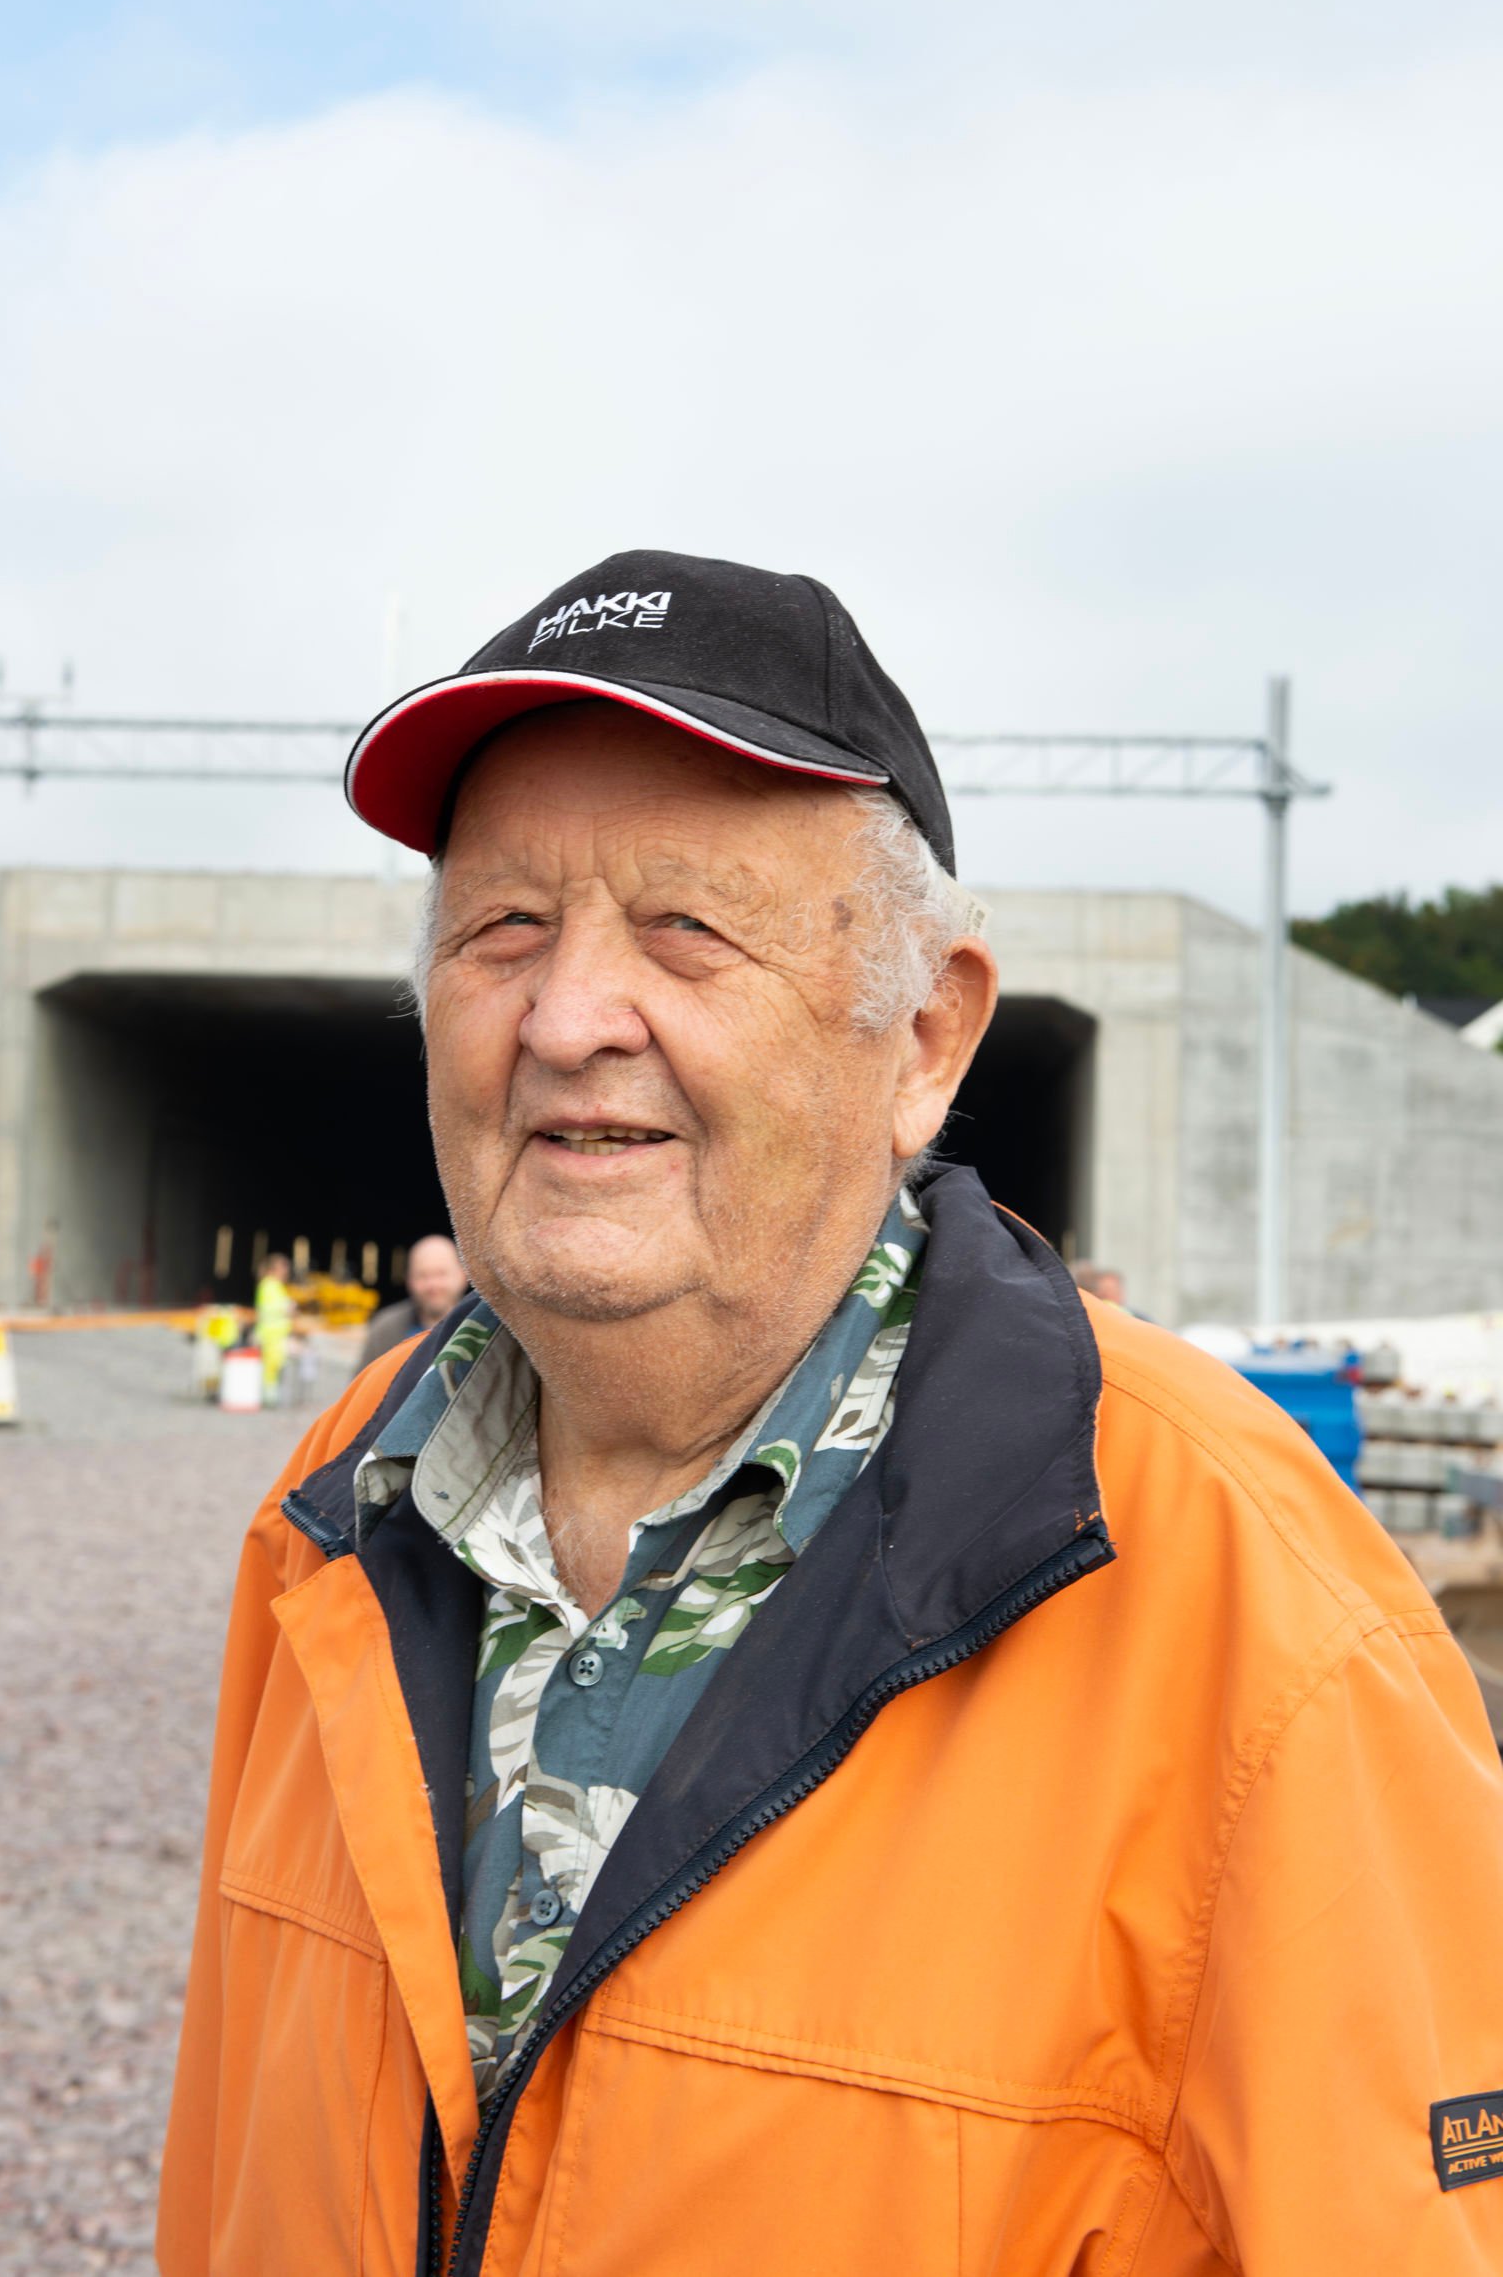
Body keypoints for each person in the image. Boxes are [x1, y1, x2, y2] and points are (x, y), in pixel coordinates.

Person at [160, 550, 1503, 2277]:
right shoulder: (333, 1508)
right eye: (502, 928)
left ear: (927, 1037)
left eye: (685, 930)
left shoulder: (1244, 1602)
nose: (567, 1017)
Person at [357, 1231, 469, 1369]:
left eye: (441, 1274)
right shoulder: (385, 1330)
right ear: (409, 1280)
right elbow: (364, 1387)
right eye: (422, 1275)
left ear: (463, 1276)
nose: (432, 1285)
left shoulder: (483, 1330)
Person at [251, 1251, 296, 1405]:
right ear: (273, 1269)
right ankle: (268, 1397)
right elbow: (269, 1307)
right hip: (271, 1334)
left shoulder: (275, 1285)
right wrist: (287, 1307)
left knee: (274, 1365)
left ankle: (271, 1395)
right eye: (283, 1269)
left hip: (277, 1333)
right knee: (271, 1366)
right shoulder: (269, 1285)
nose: (285, 1272)